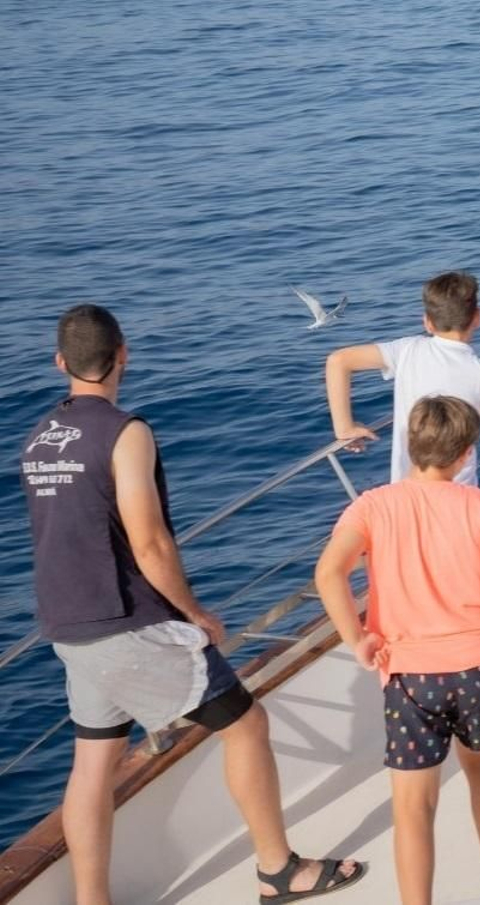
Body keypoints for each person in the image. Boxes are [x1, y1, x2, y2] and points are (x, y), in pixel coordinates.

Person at [21, 304, 365, 904]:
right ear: (123, 353)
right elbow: (149, 543)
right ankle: (278, 870)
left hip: (67, 624)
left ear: (59, 363)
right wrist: (195, 613)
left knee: (92, 768)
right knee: (246, 724)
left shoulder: (37, 441)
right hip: (129, 621)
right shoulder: (125, 431)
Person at [314, 395, 480, 905]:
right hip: (478, 669)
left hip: (408, 677)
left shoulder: (372, 505)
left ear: (410, 446)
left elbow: (328, 573)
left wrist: (357, 638)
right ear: (465, 454)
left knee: (413, 806)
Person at [324, 269, 480, 598]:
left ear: (427, 322)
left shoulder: (406, 351)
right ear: (477, 318)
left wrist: (344, 427)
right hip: (460, 498)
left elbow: (339, 360)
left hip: (408, 495)